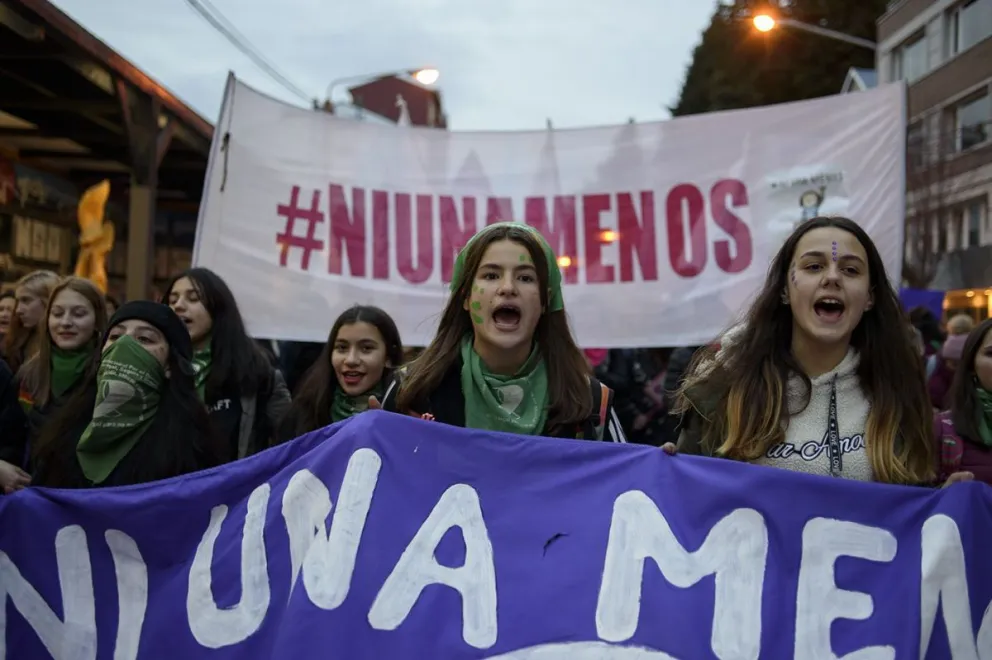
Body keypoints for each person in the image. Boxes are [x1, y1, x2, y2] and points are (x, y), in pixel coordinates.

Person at [670, 216, 935, 485]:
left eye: (851, 270)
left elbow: (917, 497)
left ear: (869, 298)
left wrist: (947, 499)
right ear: (785, 290)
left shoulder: (900, 391)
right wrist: (668, 472)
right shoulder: (724, 391)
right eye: (814, 266)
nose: (832, 277)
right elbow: (688, 502)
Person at [378, 222, 626, 442]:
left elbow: (627, 484)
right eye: (491, 275)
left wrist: (660, 467)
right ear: (466, 296)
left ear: (544, 301)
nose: (507, 288)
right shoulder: (410, 391)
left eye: (525, 278)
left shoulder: (591, 403)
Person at [32, 301, 221, 488]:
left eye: (144, 339)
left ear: (170, 365)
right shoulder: (61, 435)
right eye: (115, 336)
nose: (123, 345)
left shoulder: (193, 448)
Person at [164, 268, 291, 460]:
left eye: (193, 298)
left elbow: (291, 443)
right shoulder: (156, 371)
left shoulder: (259, 376)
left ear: (218, 308)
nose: (179, 306)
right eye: (172, 301)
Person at [10, 277, 108, 469]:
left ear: (97, 320)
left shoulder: (110, 374)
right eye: (57, 313)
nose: (65, 322)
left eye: (78, 314)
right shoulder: (29, 374)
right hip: (33, 489)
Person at [278, 305, 403, 441]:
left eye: (366, 348)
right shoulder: (303, 412)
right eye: (342, 348)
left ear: (389, 357)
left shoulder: (405, 414)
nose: (351, 360)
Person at [934, 318, 992, 486]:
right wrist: (944, 492)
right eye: (991, 353)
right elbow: (918, 503)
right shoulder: (942, 429)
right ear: (972, 365)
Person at [3, 270, 59, 373]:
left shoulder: (62, 345)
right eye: (18, 301)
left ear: (48, 301)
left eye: (26, 300)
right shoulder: (18, 340)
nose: (18, 310)